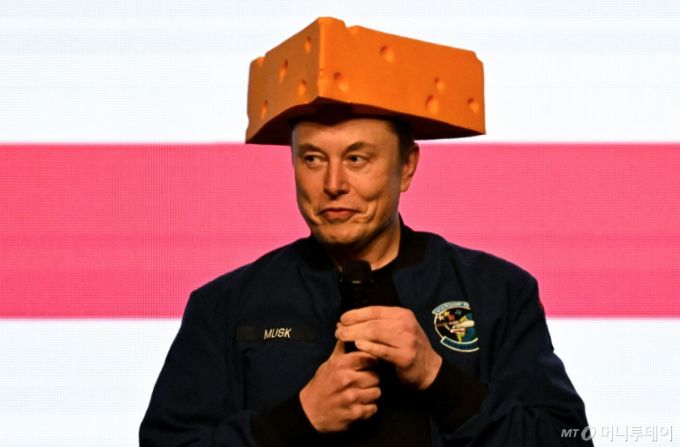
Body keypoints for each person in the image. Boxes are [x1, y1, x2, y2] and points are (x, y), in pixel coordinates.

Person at [139, 112, 592, 446]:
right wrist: (297, 419)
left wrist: (438, 378)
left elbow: (566, 439)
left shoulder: (497, 291)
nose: (333, 183)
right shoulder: (224, 304)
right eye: (312, 159)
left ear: (407, 166)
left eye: (357, 158)